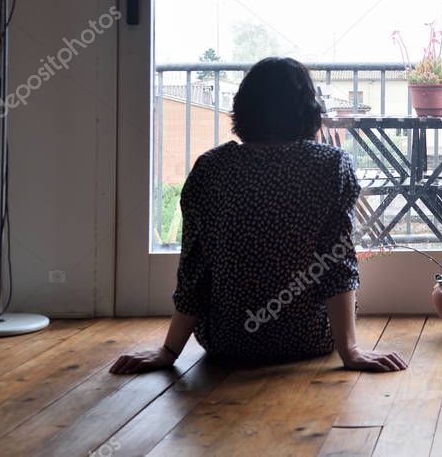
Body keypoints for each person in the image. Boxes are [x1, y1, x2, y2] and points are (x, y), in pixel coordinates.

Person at [111, 57, 406, 374]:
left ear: (243, 109)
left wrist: (169, 351)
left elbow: (196, 269)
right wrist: (350, 351)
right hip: (307, 338)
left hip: (226, 341)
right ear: (308, 110)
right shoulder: (330, 165)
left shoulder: (210, 168)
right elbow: (337, 263)